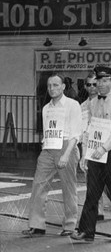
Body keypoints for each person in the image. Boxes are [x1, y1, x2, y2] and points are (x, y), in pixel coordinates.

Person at [71, 66, 111, 243]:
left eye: (104, 81)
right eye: (98, 81)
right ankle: (87, 231)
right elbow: (88, 131)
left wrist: (103, 148)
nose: (100, 85)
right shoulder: (91, 103)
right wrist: (85, 154)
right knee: (92, 191)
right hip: (95, 152)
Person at [22, 74, 82, 237]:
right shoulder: (47, 108)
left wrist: (66, 155)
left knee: (68, 187)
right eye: (49, 86)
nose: (52, 88)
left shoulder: (73, 105)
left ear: (63, 87)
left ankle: (70, 224)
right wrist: (44, 147)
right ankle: (37, 224)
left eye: (55, 85)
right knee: (38, 185)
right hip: (48, 148)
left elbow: (76, 133)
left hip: (66, 147)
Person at [80, 73, 105, 221]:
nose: (92, 88)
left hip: (103, 145)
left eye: (95, 84)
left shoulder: (104, 102)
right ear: (85, 86)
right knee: (90, 179)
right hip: (87, 144)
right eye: (89, 85)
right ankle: (97, 209)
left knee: (106, 181)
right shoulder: (82, 106)